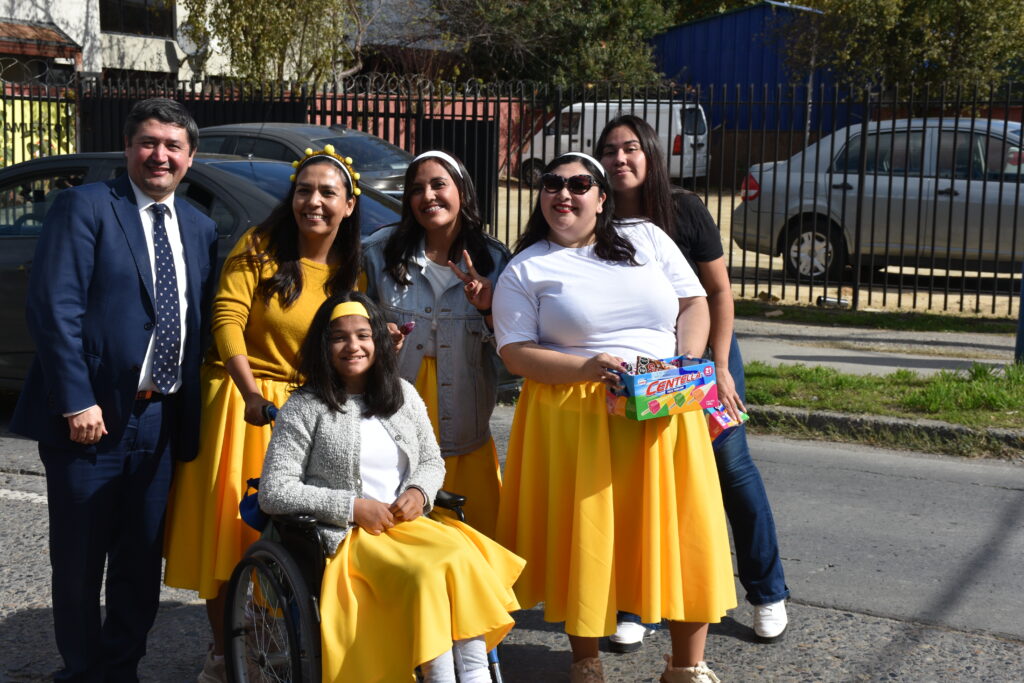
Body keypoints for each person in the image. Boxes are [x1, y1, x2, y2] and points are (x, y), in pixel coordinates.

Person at [492, 152, 736, 683]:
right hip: (579, 417)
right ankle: (586, 660)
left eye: (580, 184)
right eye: (552, 183)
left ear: (602, 199)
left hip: (663, 406)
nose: (564, 193)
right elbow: (514, 353)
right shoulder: (526, 267)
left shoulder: (647, 237)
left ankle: (686, 666)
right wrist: (585, 367)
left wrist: (683, 364)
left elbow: (694, 302)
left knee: (682, 533)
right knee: (588, 536)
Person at [9, 98, 218, 680]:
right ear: (128, 148)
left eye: (173, 146)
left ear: (190, 157)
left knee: (140, 561)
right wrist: (77, 399)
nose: (160, 155)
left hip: (160, 420)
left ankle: (121, 668)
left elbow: (199, 321)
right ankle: (81, 671)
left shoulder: (199, 227)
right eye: (148, 142)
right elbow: (54, 308)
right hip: (89, 419)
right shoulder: (85, 206)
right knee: (79, 562)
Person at [162, 144, 362, 681]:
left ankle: (279, 642)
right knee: (231, 534)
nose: (313, 201)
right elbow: (226, 318)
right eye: (304, 190)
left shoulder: (352, 270)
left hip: (309, 412)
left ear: (348, 205)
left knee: (299, 537)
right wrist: (250, 392)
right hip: (243, 405)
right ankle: (224, 653)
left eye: (327, 193)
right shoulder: (259, 247)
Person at [259, 291, 524, 682]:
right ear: (323, 345)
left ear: (378, 340)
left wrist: (419, 492)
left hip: (408, 527)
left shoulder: (403, 395)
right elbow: (275, 490)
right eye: (339, 337)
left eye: (363, 335)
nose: (353, 346)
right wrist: (352, 507)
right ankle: (439, 675)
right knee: (426, 573)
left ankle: (474, 673)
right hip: (349, 539)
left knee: (463, 558)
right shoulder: (305, 407)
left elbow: (432, 461)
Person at [596, 114, 790, 646]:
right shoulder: (597, 214)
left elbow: (719, 292)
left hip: (704, 361)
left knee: (732, 468)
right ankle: (636, 606)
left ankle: (767, 592)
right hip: (640, 371)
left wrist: (720, 367)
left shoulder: (683, 209)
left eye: (630, 147)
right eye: (609, 150)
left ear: (650, 153)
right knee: (639, 480)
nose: (619, 159)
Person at [363, 150, 510, 537]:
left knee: (475, 539)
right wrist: (378, 336)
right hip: (396, 410)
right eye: (416, 189)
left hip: (465, 419)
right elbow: (350, 327)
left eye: (438, 184)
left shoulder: (494, 260)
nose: (427, 196)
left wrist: (489, 309)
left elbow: (511, 352)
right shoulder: (379, 253)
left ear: (462, 191)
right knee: (402, 536)